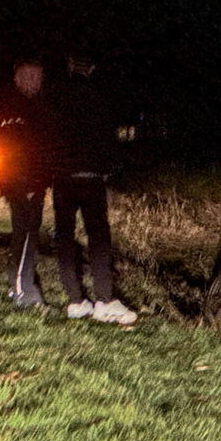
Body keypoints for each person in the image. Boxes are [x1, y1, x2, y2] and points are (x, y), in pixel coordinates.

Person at [50, 52, 137, 324]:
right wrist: (110, 166)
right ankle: (104, 299)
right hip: (90, 175)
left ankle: (75, 300)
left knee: (64, 236)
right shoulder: (98, 96)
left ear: (69, 65)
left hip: (62, 178)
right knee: (98, 236)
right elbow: (107, 137)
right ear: (92, 67)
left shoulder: (57, 97)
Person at [0, 57, 53, 308]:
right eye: (29, 77)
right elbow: (17, 151)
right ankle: (23, 290)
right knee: (25, 235)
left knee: (27, 234)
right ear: (18, 79)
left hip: (30, 181)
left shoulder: (33, 107)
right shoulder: (17, 109)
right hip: (23, 183)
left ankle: (22, 286)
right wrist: (28, 182)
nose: (35, 82)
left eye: (38, 77)